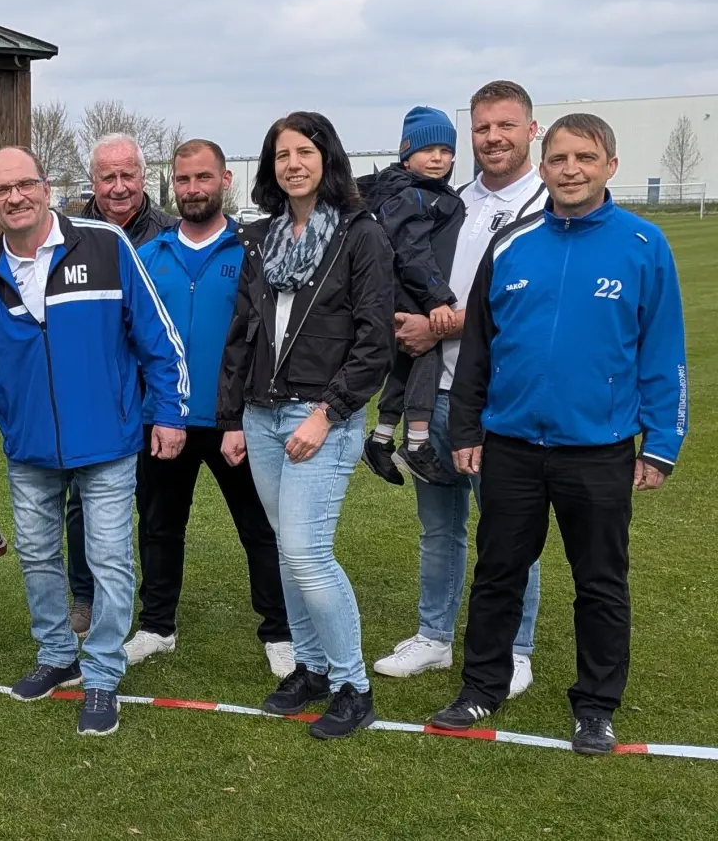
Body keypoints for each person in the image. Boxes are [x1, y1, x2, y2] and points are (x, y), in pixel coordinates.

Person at [430, 113, 687, 756]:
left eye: (585, 158)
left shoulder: (644, 245)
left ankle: (595, 707)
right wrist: (466, 427)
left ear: (610, 166)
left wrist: (660, 444)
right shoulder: (512, 244)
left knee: (600, 583)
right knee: (497, 576)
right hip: (510, 448)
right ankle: (480, 689)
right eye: (559, 159)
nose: (571, 169)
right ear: (543, 169)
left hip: (598, 453)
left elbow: (664, 353)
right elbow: (479, 351)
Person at [0, 145, 189, 737]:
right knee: (38, 557)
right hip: (29, 452)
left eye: (25, 184)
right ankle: (57, 654)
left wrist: (170, 415)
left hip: (108, 443)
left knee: (108, 559)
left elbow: (158, 340)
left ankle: (103, 674)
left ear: (47, 188)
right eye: (0, 191)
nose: (15, 197)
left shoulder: (106, 247)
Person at [218, 112, 394, 740]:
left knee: (306, 551)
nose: (292, 163)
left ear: (327, 158)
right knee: (287, 552)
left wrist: (327, 413)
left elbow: (376, 343)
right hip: (261, 416)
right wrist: (233, 417)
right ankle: (312, 670)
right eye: (280, 154)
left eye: (304, 151)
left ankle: (354, 685)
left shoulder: (361, 234)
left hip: (323, 415)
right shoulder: (261, 238)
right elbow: (242, 334)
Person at [373, 81, 549, 694]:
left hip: (502, 399)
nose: (493, 138)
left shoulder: (548, 206)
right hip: (435, 391)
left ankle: (514, 648)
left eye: (505, 126)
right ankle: (434, 637)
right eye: (482, 128)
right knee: (439, 525)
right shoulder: (452, 201)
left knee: (507, 530)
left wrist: (437, 324)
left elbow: (521, 307)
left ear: (532, 129)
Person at [122, 139, 294, 678]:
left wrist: (241, 417)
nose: (193, 189)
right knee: (158, 525)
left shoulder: (252, 251)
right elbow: (132, 340)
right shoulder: (148, 256)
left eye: (203, 178)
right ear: (171, 184)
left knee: (260, 528)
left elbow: (266, 340)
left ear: (225, 181)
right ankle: (156, 626)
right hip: (164, 420)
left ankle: (280, 630)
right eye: (183, 180)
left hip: (236, 424)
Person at [64, 133, 182, 635]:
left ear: (143, 175)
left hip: (150, 396)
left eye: (127, 175)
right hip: (91, 396)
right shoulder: (66, 234)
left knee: (156, 507)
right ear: (93, 181)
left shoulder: (171, 234)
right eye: (107, 177)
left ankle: (154, 613)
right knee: (81, 506)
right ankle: (85, 596)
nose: (118, 187)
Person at [358, 107, 464, 487]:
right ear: (407, 156)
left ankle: (381, 438)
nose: (437, 158)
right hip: (408, 293)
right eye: (427, 150)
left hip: (402, 293)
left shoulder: (426, 193)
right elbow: (411, 251)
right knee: (428, 352)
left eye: (445, 150)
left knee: (406, 363)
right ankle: (416, 444)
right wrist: (437, 298)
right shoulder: (413, 196)